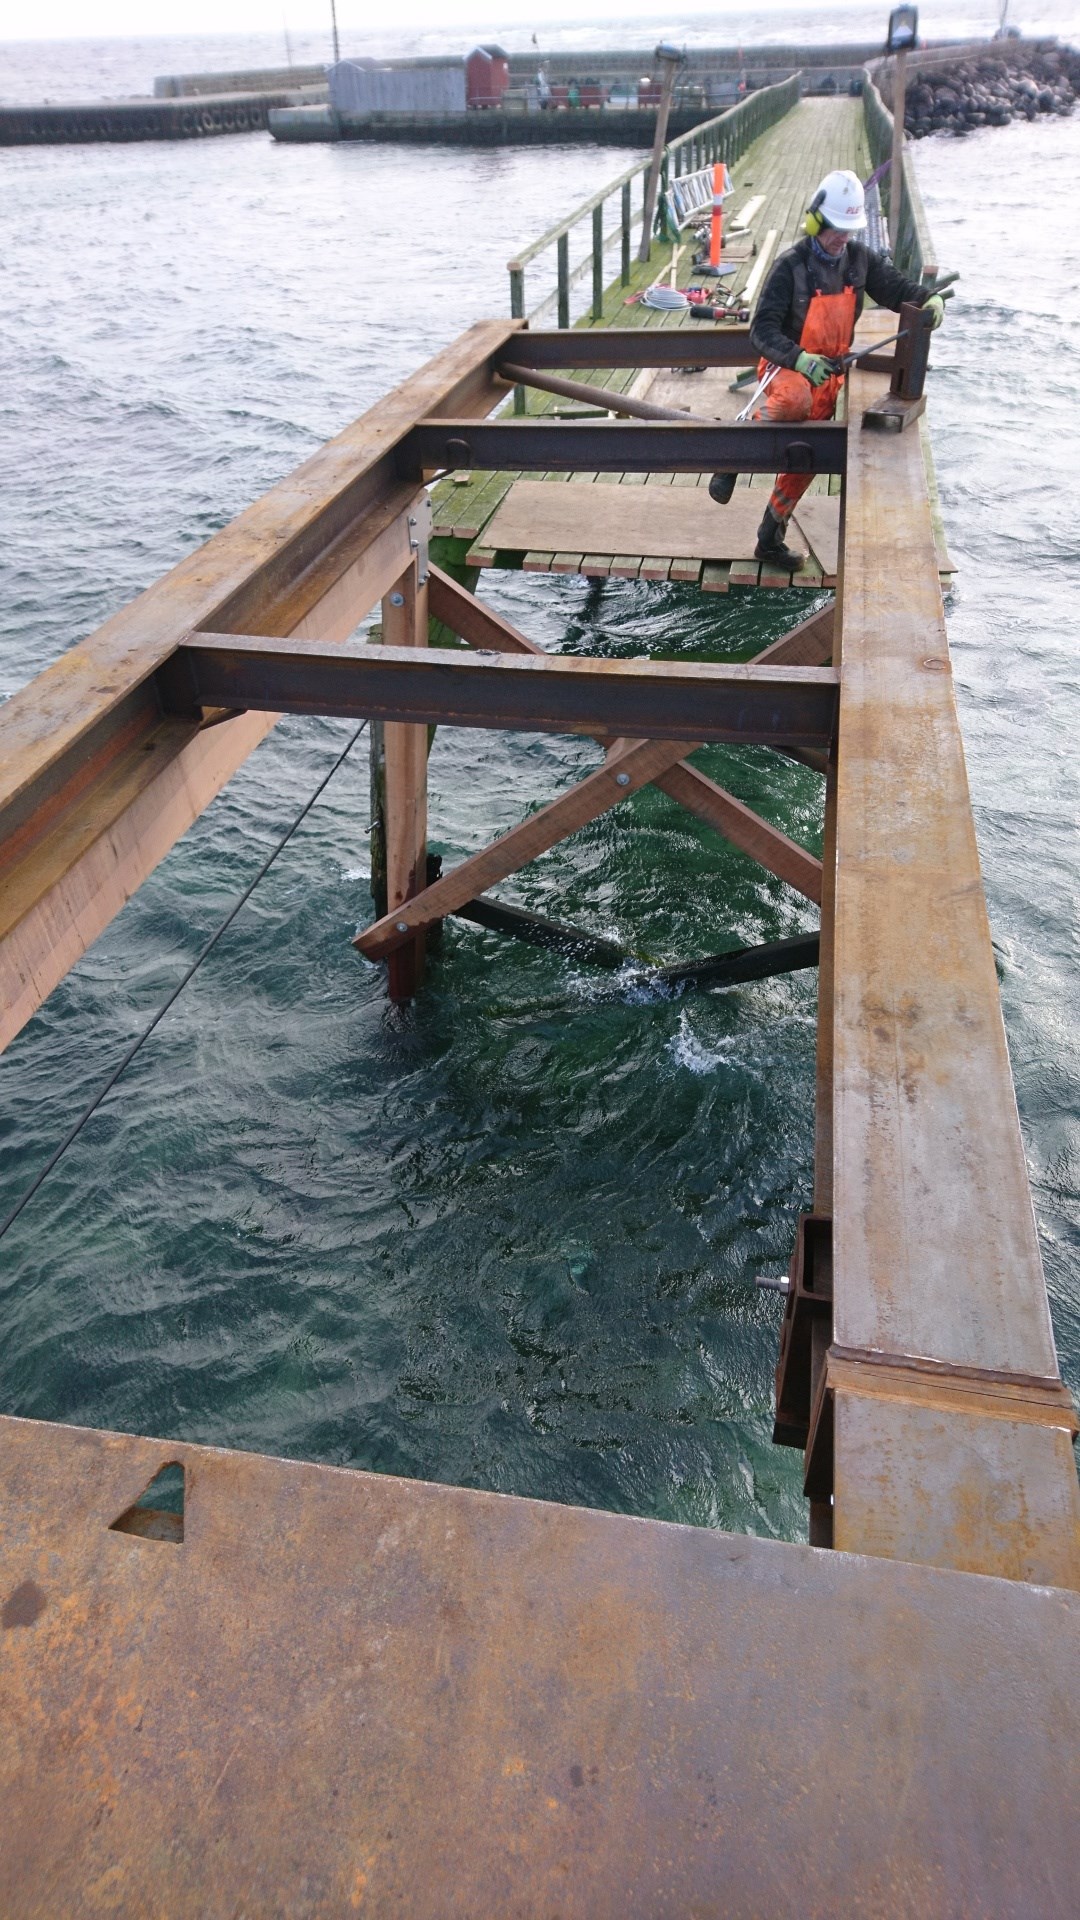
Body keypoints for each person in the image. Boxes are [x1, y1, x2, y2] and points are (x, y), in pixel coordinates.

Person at [709, 168, 946, 570]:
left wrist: (929, 300)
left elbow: (898, 290)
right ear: (816, 221)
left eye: (849, 230)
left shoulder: (860, 260)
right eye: (836, 228)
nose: (842, 237)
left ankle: (769, 538)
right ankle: (733, 453)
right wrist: (800, 359)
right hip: (788, 365)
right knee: (793, 401)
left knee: (807, 456)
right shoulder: (790, 266)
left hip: (830, 375)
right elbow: (761, 331)